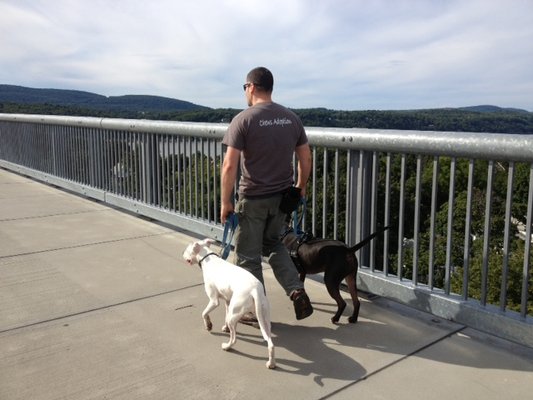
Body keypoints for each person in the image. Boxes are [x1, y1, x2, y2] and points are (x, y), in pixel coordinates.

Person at [220, 66, 313, 320]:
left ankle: (252, 310)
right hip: (282, 199)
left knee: (248, 256)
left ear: (250, 87)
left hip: (253, 200)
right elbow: (305, 158)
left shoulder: (244, 119)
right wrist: (300, 188)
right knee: (274, 244)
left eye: (244, 88)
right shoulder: (291, 118)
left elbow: (229, 165)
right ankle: (295, 291)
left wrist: (225, 202)